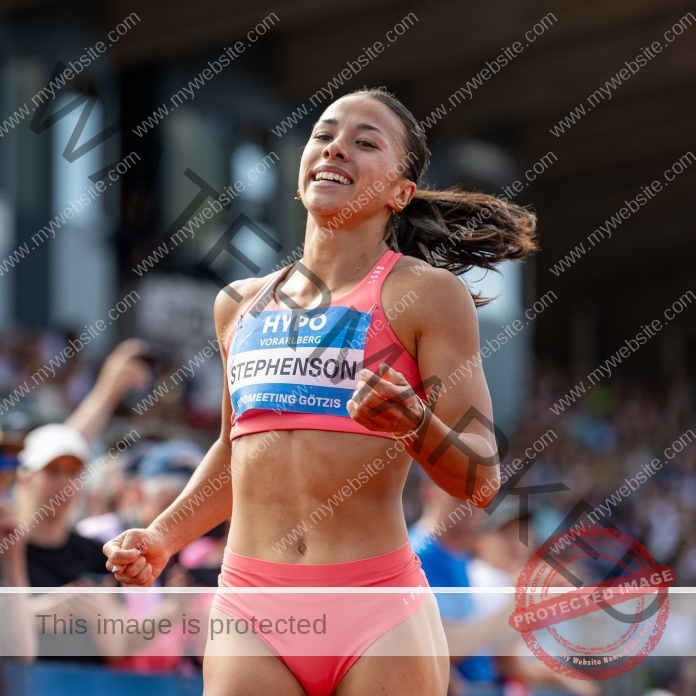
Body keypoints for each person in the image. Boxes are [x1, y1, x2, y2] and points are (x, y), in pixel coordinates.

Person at [104, 86, 537, 696]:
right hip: (252, 605)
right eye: (324, 135)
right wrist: (162, 535)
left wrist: (416, 425)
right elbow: (236, 454)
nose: (336, 148)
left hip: (376, 607)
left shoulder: (428, 296)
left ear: (399, 193)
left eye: (365, 142)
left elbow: (482, 477)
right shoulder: (238, 304)